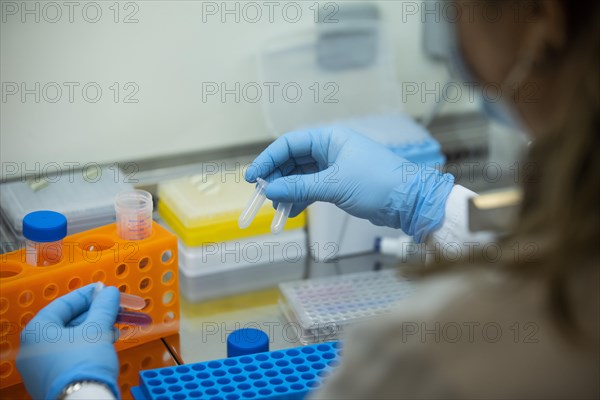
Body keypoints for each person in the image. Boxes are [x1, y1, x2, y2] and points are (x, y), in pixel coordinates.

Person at [16, 0, 599, 398]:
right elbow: (560, 246)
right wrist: (429, 199)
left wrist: (79, 388)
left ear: (542, 17)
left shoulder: (430, 357)